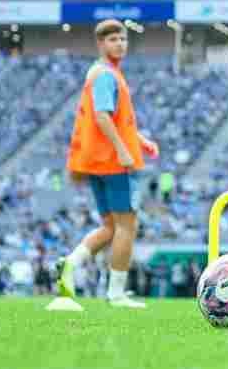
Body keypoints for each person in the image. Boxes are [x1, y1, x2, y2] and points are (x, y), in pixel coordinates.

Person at [54, 19, 159, 309]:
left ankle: (70, 264)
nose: (120, 44)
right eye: (113, 40)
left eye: (123, 39)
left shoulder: (100, 73)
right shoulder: (106, 75)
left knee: (110, 226)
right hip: (112, 162)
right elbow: (102, 115)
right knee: (128, 225)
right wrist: (124, 150)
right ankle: (116, 293)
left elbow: (113, 119)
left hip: (97, 161)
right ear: (101, 44)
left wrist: (139, 140)